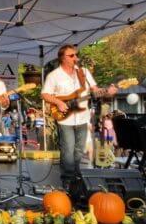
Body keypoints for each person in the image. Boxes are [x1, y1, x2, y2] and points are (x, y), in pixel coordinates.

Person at [42, 45, 117, 187]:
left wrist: (108, 91)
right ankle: (67, 180)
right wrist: (58, 102)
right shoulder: (54, 75)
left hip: (83, 117)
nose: (76, 58)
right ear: (62, 58)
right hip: (65, 118)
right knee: (68, 150)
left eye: (76, 55)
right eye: (72, 55)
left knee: (79, 150)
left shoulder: (84, 72)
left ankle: (75, 177)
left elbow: (95, 90)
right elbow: (45, 94)